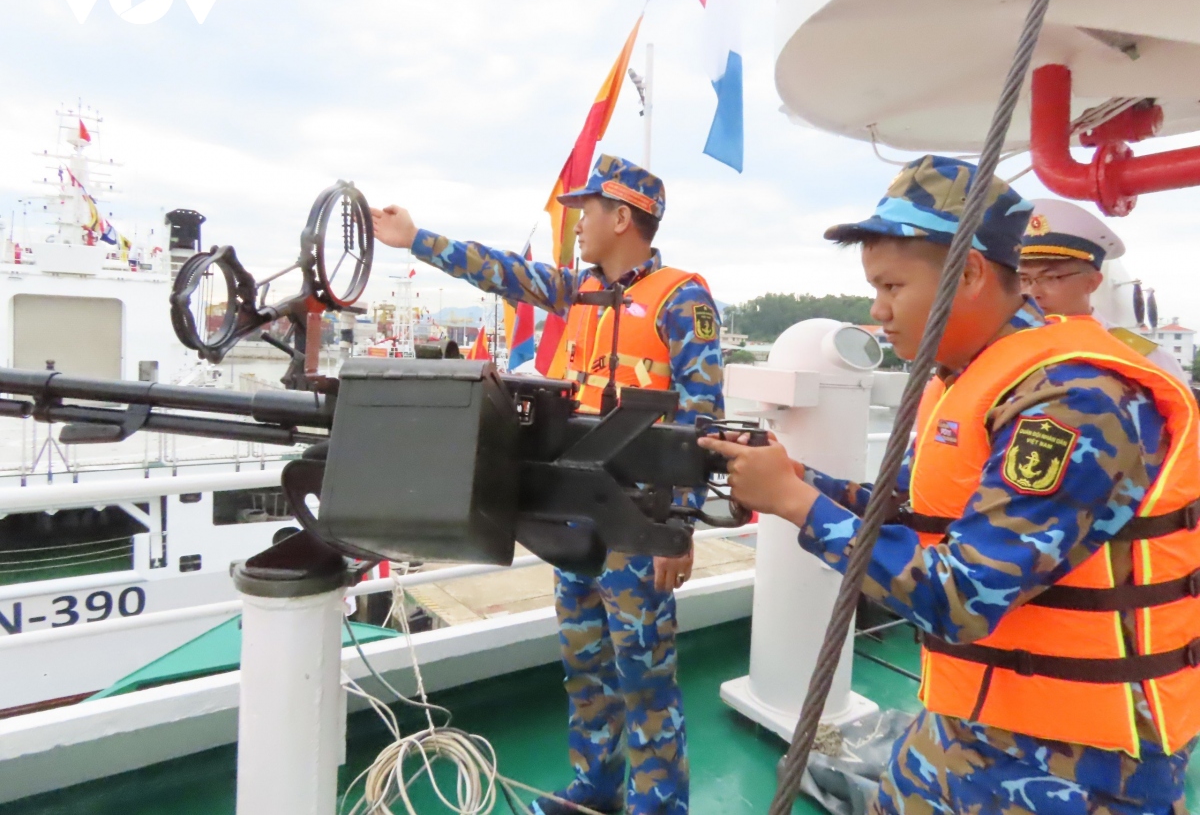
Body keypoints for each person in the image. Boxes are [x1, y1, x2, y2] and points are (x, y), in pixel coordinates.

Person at [700, 155, 1200, 815]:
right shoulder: (971, 377)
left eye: (891, 287)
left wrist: (795, 503)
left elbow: (962, 596)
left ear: (966, 273)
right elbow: (918, 506)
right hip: (967, 724)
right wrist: (790, 476)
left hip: (1077, 766)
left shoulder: (1072, 403)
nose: (876, 311)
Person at [371, 154, 723, 815]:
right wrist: (415, 238)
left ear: (623, 217)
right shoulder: (575, 288)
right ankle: (595, 790)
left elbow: (701, 423)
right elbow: (503, 270)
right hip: (573, 516)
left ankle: (658, 807)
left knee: (644, 678)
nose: (577, 226)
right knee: (586, 663)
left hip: (637, 524)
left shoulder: (683, 300)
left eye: (585, 213)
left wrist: (680, 525)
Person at [1019, 198, 1189, 382]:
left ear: (1093, 282)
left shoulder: (1144, 359)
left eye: (1050, 278)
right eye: (1023, 279)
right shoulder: (1005, 348)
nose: (1032, 292)